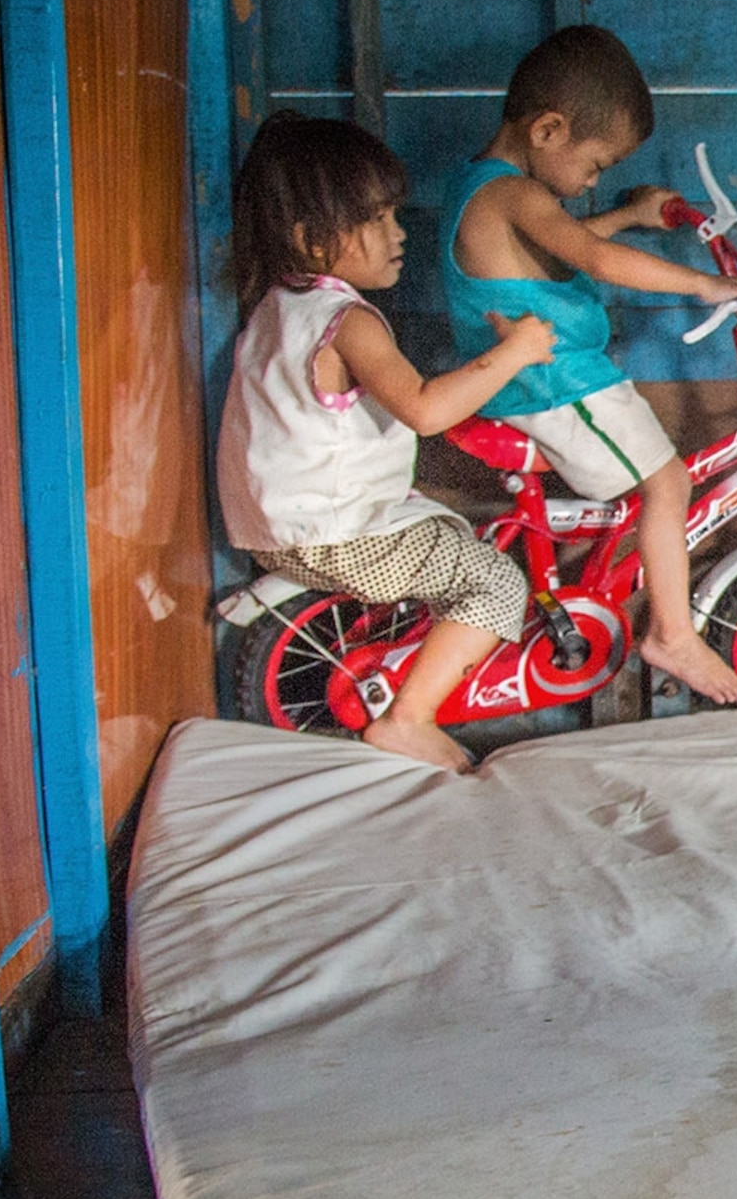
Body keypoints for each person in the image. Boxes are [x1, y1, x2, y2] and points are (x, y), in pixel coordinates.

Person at [217, 112, 558, 773]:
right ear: (310, 238)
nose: (398, 233)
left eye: (393, 215)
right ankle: (408, 719)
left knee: (444, 531)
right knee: (493, 581)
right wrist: (516, 352)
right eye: (376, 220)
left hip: (273, 525)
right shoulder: (347, 323)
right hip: (334, 532)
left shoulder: (275, 308)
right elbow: (426, 410)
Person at [442, 26, 737, 705]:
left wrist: (625, 215)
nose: (595, 181)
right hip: (558, 383)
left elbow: (556, 249)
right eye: (595, 165)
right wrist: (707, 288)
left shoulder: (487, 191)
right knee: (668, 485)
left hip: (548, 381)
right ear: (549, 130)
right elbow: (590, 260)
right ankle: (672, 635)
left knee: (655, 486)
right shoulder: (513, 195)